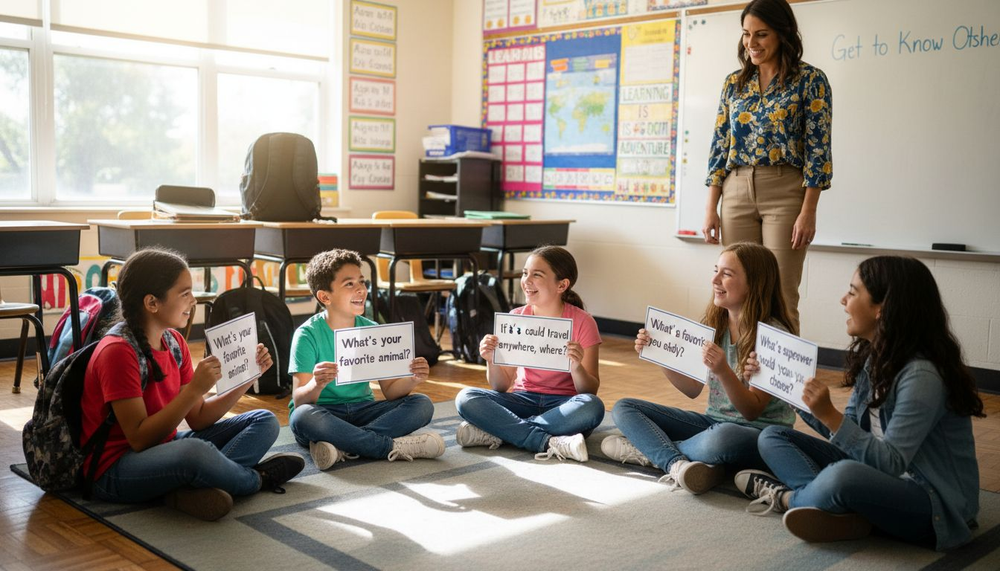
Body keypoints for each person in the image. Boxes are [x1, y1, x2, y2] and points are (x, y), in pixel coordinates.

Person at [736, 256, 984, 550]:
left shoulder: (922, 375)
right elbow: (848, 436)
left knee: (844, 475)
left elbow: (891, 462)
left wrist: (829, 414)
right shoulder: (877, 357)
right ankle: (832, 504)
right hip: (876, 474)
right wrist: (786, 387)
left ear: (882, 307)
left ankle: (790, 499)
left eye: (853, 292)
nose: (843, 300)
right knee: (773, 436)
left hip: (934, 504)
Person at [81, 248, 304, 522]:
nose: (193, 300)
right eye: (184, 293)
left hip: (164, 447)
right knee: (195, 453)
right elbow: (138, 439)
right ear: (152, 303)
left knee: (265, 421)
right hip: (114, 468)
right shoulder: (117, 351)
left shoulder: (174, 342)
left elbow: (198, 419)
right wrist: (195, 389)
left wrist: (249, 378)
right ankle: (256, 480)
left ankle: (193, 487)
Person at [603, 242, 795, 494]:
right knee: (625, 408)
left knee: (725, 437)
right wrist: (659, 356)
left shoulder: (774, 337)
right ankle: (678, 463)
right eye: (716, 270)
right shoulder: (716, 324)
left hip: (757, 435)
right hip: (713, 424)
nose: (715, 279)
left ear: (754, 283)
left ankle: (655, 451)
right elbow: (692, 389)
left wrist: (723, 370)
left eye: (726, 274)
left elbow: (751, 411)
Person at [701, 0, 832, 331]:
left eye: (761, 34)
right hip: (735, 190)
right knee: (734, 293)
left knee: (782, 295)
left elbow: (819, 149)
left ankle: (780, 383)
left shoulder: (810, 80)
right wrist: (710, 207)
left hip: (786, 191)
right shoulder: (734, 83)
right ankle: (738, 379)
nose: (751, 43)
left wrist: (809, 211)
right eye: (746, 34)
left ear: (783, 34)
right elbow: (720, 145)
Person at [288, 249, 444, 469]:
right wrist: (316, 383)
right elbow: (300, 400)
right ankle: (388, 447)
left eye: (361, 281)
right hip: (325, 414)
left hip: (364, 411)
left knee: (422, 404)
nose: (361, 289)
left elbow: (390, 391)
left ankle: (344, 445)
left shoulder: (372, 330)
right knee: (303, 417)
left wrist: (413, 379)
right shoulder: (307, 335)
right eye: (349, 284)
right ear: (325, 297)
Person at [454, 245, 603, 462]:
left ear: (562, 285)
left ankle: (502, 431)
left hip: (563, 406)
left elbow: (590, 390)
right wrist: (491, 360)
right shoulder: (515, 317)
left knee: (592, 407)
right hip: (522, 400)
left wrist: (576, 366)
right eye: (525, 273)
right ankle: (545, 440)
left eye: (537, 275)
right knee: (466, 397)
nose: (526, 280)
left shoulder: (583, 322)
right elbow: (500, 386)